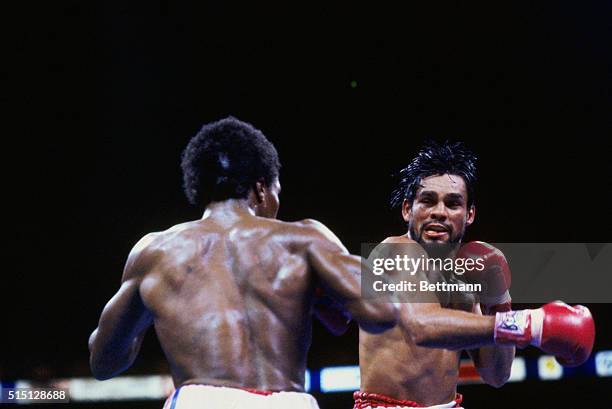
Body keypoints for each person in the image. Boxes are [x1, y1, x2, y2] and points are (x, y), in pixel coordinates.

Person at [88, 117, 398, 409]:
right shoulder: (304, 239)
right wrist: (318, 290)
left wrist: (149, 314)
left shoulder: (155, 251)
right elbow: (383, 310)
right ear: (262, 188)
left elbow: (103, 362)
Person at [355, 141, 595, 409]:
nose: (439, 212)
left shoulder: (460, 281)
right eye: (427, 200)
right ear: (407, 210)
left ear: (469, 214)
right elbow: (421, 325)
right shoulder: (396, 251)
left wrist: (499, 301)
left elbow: (497, 374)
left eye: (453, 203)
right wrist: (534, 324)